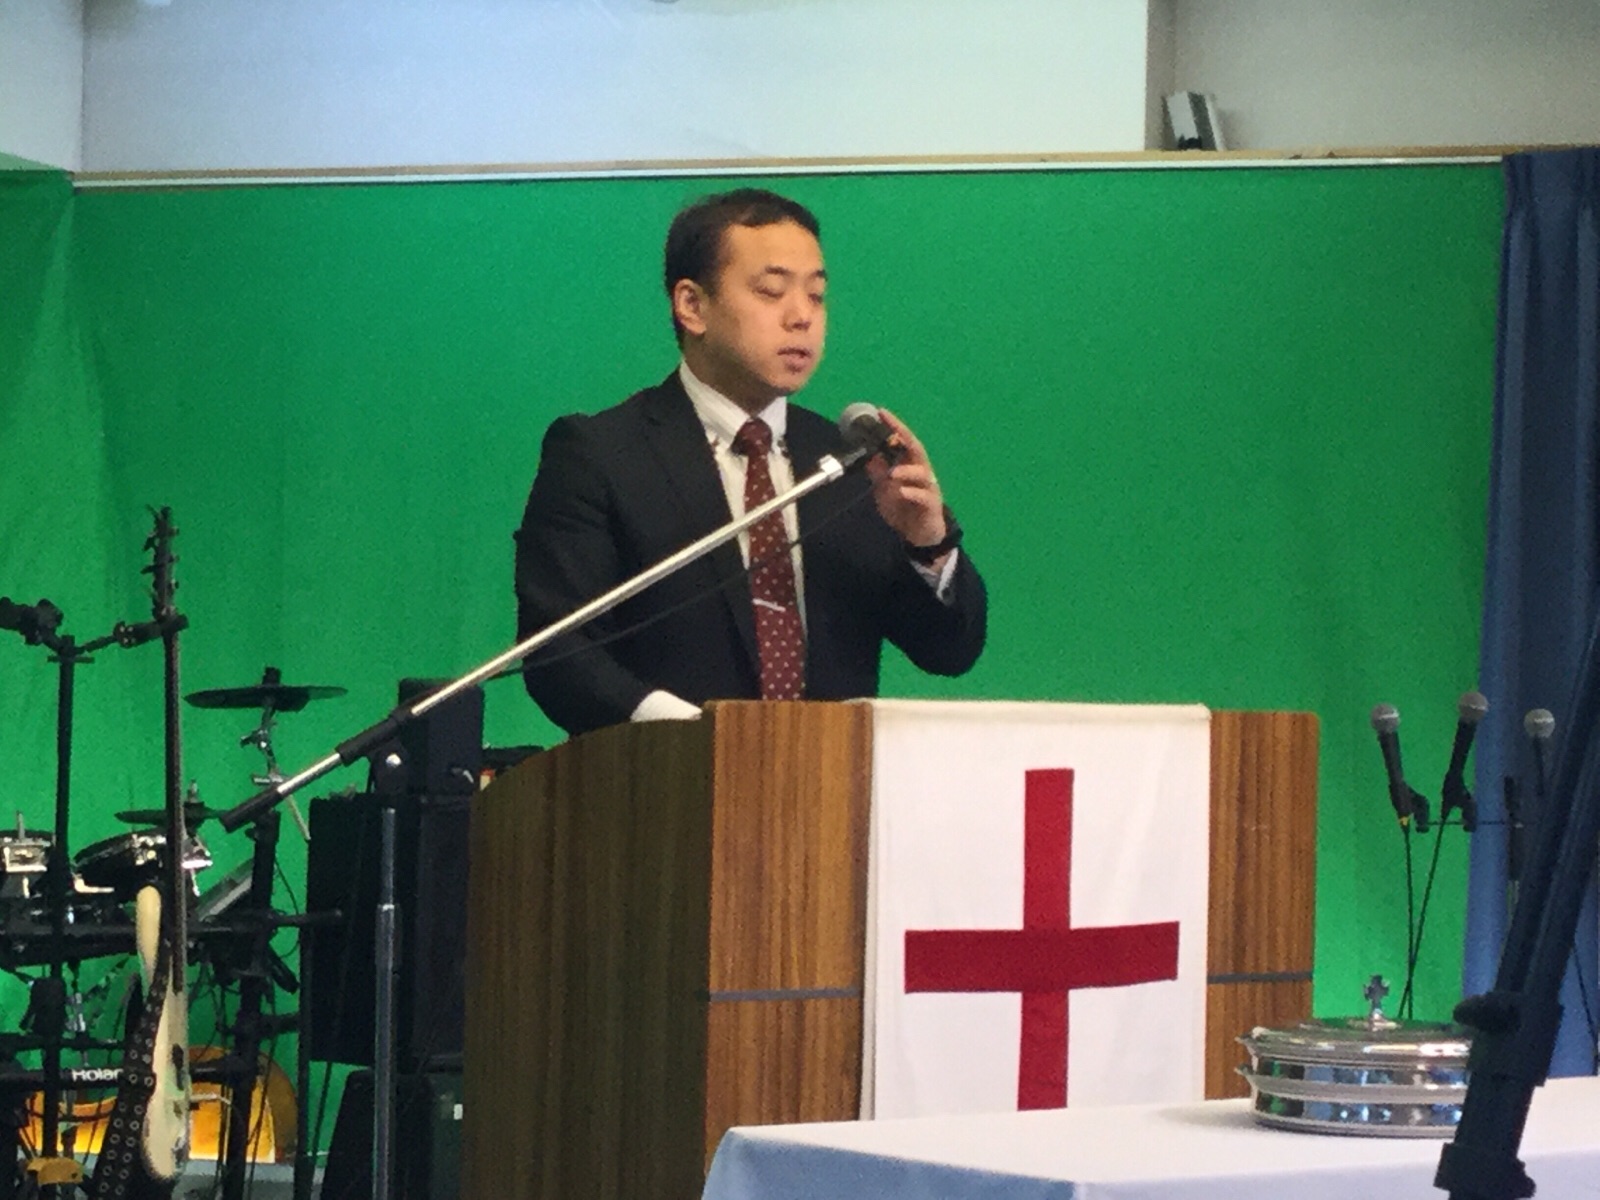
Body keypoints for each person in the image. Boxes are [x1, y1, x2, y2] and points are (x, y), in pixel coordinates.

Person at [514, 188, 986, 736]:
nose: (802, 317)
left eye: (816, 296)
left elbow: (948, 651)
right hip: (666, 775)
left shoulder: (848, 462)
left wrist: (928, 545)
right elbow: (560, 654)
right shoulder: (602, 454)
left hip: (828, 776)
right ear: (692, 306)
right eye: (771, 291)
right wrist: (690, 732)